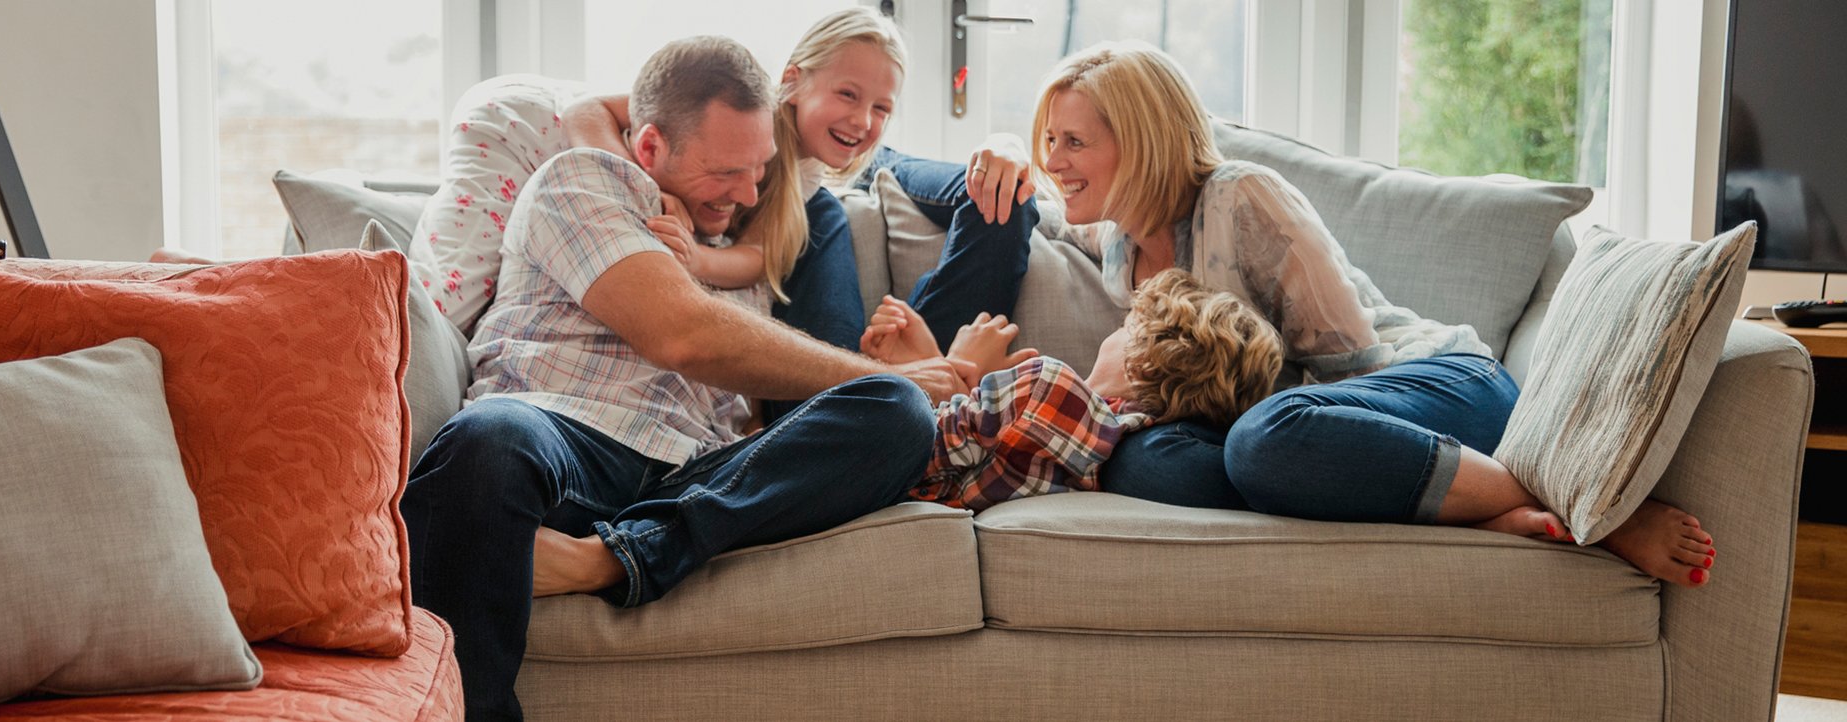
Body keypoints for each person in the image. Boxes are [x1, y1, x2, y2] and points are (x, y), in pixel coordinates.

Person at [968, 41, 1716, 587]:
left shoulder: (1239, 197)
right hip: (1303, 435)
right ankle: (1452, 508)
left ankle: (1586, 509)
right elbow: (1024, 196)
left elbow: (1349, 359)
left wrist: (1220, 405)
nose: (1054, 159)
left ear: (1140, 141)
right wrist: (1001, 146)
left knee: (1264, 440)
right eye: (1049, 140)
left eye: (1074, 141)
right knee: (1142, 459)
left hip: (1428, 387)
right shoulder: (1115, 239)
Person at [399, 36, 971, 721]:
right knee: (485, 439)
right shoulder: (579, 182)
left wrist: (891, 384)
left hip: (694, 475)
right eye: (726, 172)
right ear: (648, 148)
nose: (747, 193)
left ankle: (613, 560)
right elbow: (684, 336)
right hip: (563, 437)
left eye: (758, 170)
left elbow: (759, 408)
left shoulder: (731, 254)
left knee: (897, 410)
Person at [561, 7, 1038, 378]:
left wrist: (1005, 144)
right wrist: (637, 187)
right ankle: (905, 387)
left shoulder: (825, 174)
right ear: (792, 80)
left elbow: (760, 253)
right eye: (847, 94)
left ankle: (925, 369)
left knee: (1003, 194)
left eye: (881, 107)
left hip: (827, 220)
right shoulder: (739, 113)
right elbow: (587, 109)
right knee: (825, 210)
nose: (862, 120)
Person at [852, 268, 1282, 512]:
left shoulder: (1050, 386)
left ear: (1141, 356)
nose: (1113, 332)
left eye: (1125, 326)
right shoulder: (1115, 443)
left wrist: (949, 367)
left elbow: (917, 449)